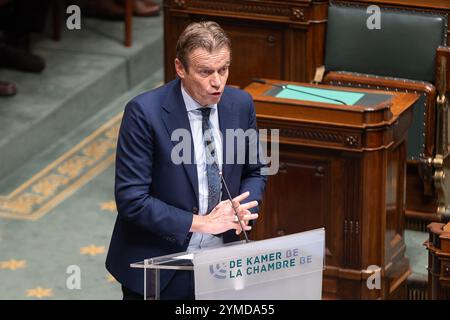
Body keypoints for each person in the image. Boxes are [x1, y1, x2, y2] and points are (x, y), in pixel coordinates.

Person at [106, 21, 267, 300]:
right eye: (205, 72)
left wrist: (240, 208)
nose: (217, 82)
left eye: (223, 69)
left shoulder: (240, 104)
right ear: (180, 68)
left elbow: (255, 171)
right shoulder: (144, 113)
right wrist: (202, 223)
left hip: (223, 262)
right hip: (161, 264)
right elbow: (132, 199)